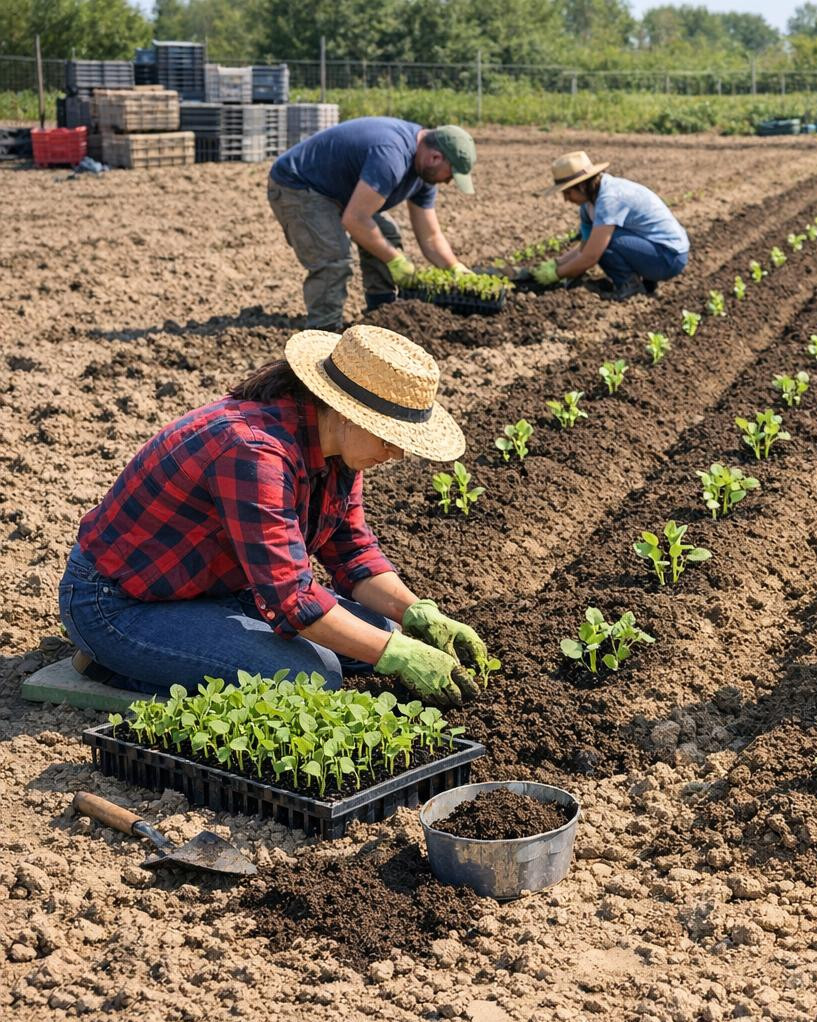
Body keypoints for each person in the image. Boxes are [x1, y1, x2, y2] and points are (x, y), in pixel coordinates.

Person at [60, 325, 490, 707]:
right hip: (119, 604)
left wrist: (418, 614)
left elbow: (353, 551)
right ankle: (116, 663)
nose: (397, 453)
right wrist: (394, 654)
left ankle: (190, 645)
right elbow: (292, 600)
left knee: (379, 633)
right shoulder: (253, 450)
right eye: (391, 438)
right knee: (315, 677)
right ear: (346, 413)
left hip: (213, 589)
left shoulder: (336, 450)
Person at [268, 118, 477, 331]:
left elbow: (430, 236)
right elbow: (355, 219)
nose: (449, 181)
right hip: (298, 185)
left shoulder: (424, 174)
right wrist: (396, 260)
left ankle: (382, 314)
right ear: (435, 157)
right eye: (451, 174)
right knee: (333, 258)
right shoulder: (391, 156)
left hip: (339, 192)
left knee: (387, 235)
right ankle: (324, 332)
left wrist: (454, 267)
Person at [529, 151, 689, 301]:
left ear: (582, 186)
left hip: (670, 257)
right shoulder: (588, 205)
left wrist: (555, 275)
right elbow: (584, 246)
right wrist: (556, 263)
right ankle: (646, 283)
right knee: (599, 240)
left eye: (568, 193)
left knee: (605, 242)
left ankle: (630, 285)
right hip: (656, 251)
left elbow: (590, 256)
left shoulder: (609, 199)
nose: (566, 199)